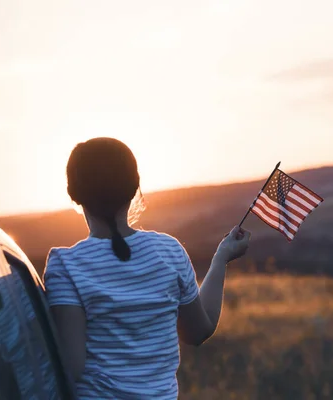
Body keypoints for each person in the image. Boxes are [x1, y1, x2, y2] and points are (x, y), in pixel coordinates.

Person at [43, 137, 250, 399]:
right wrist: (221, 258)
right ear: (134, 188)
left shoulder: (65, 266)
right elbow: (199, 331)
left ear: (74, 194)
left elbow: (69, 369)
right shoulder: (169, 251)